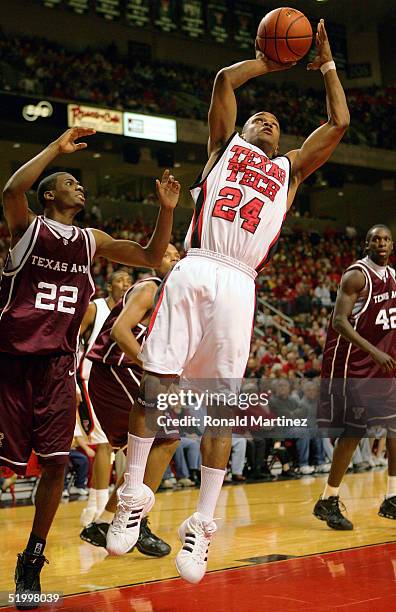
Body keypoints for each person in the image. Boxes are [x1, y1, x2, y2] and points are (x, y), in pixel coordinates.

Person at [107, 19, 349, 584]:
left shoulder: (288, 171)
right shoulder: (222, 149)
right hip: (196, 266)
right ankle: (131, 496)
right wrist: (269, 60)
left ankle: (202, 524)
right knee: (156, 384)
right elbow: (222, 81)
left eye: (275, 121)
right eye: (258, 117)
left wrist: (327, 64)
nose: (266, 120)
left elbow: (337, 122)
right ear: (240, 129)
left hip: (241, 281)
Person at [0, 127, 179, 606]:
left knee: (57, 466)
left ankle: (32, 559)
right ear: (49, 194)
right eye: (69, 182)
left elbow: (148, 255)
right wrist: (54, 150)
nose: (79, 187)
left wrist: (164, 211)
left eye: (79, 183)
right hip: (12, 363)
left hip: (58, 367)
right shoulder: (28, 227)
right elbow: (11, 190)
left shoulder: (90, 240)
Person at [80, 244, 180, 557]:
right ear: (153, 262)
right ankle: (138, 519)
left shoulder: (174, 299)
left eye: (179, 257)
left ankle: (107, 521)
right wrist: (153, 369)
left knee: (146, 451)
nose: (175, 259)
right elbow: (122, 332)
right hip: (114, 369)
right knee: (165, 439)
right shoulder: (150, 288)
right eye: (167, 255)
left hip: (125, 372)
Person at [314, 224, 396, 530]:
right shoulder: (356, 276)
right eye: (376, 239)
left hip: (382, 367)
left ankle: (392, 496)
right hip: (353, 365)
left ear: (392, 244)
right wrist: (375, 351)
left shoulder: (394, 278)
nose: (382, 243)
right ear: (366, 244)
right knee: (354, 431)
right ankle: (328, 499)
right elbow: (339, 322)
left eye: (386, 239)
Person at [78, 270, 132, 527]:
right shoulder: (94, 307)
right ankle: (96, 504)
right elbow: (72, 339)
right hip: (91, 376)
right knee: (102, 442)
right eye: (120, 280)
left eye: (129, 281)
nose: (125, 284)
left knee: (128, 442)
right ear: (109, 286)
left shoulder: (133, 311)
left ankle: (117, 502)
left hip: (120, 380)